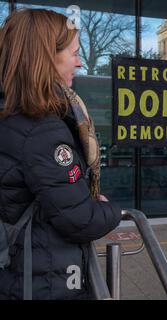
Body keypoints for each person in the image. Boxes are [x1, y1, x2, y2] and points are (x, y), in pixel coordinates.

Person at [0, 9, 122, 299]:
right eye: (74, 53)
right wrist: (111, 210)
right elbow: (80, 219)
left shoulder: (9, 116)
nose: (79, 63)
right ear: (45, 56)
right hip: (46, 281)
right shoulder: (42, 131)